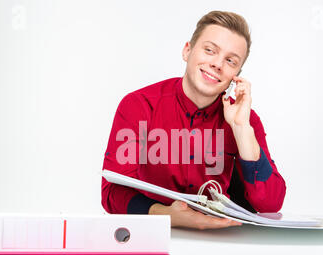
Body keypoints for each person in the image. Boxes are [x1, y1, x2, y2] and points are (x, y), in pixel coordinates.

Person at [101, 11, 286, 230]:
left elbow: (270, 205)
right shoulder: (139, 105)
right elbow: (112, 193)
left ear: (237, 74)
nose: (217, 64)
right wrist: (169, 216)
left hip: (221, 243)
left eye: (230, 61)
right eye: (209, 50)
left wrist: (241, 128)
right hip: (154, 234)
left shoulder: (244, 118)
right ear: (187, 51)